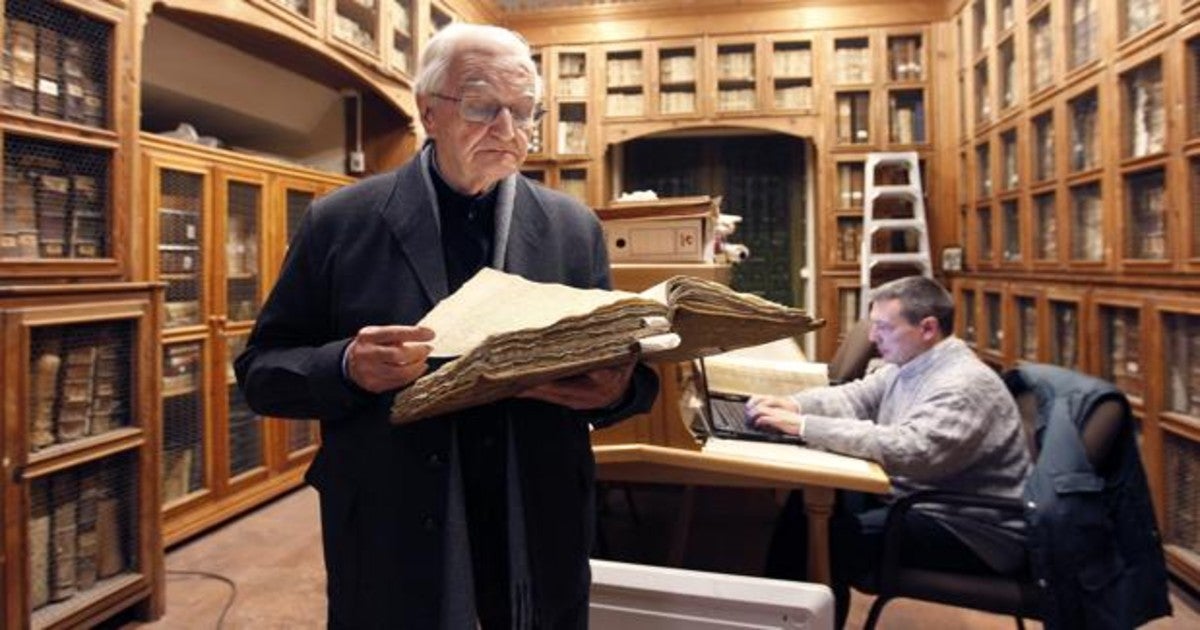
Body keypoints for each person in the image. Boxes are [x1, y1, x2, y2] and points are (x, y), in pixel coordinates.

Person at [234, 23, 659, 629]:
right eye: (484, 108)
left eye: (524, 111)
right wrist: (347, 366)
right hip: (394, 519)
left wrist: (617, 389)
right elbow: (262, 371)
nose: (508, 132)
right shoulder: (341, 221)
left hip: (534, 513)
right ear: (428, 112)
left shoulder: (572, 227)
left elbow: (622, 363)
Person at [747, 275, 1031, 627]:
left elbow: (911, 451)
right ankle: (779, 619)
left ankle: (803, 621)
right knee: (803, 506)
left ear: (927, 328)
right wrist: (793, 404)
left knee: (824, 538)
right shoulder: (910, 363)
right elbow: (855, 397)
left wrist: (805, 427)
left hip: (970, 529)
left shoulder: (964, 385)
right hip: (918, 501)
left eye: (883, 326)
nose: (871, 336)